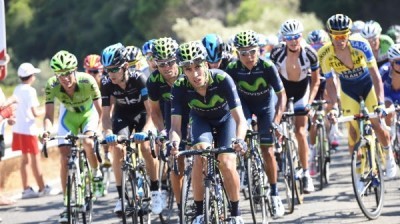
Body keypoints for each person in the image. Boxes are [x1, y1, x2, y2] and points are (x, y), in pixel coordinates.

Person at [169, 41, 248, 224]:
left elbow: (240, 119)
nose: (195, 74)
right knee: (200, 157)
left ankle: (236, 214)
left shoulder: (222, 79)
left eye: (198, 66)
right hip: (200, 120)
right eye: (188, 69)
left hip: (225, 120)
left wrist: (240, 140)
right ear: (183, 71)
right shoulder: (180, 87)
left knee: (226, 162)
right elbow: (175, 127)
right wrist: (173, 142)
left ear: (206, 64)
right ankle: (199, 212)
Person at [319, 14, 397, 183]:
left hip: (368, 85)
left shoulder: (361, 44)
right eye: (336, 35)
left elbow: (376, 77)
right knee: (353, 131)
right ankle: (359, 175)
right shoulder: (324, 53)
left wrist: (381, 103)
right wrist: (333, 106)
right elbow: (331, 83)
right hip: (348, 89)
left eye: (344, 35)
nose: (340, 39)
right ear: (330, 35)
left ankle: (388, 152)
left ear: (349, 33)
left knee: (376, 124)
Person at [225, 30, 287, 217]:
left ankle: (275, 194)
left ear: (259, 50)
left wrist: (276, 121)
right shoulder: (233, 69)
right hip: (244, 107)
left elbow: (281, 96)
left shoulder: (267, 66)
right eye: (243, 53)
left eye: (252, 51)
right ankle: (245, 171)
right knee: (239, 141)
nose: (249, 56)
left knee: (267, 150)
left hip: (265, 107)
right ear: (237, 54)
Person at [100, 43, 163, 215]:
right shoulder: (106, 82)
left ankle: (156, 191)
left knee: (144, 147)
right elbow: (106, 115)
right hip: (123, 115)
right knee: (117, 148)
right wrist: (107, 133)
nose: (111, 74)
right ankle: (121, 198)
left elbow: (151, 113)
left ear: (125, 66)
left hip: (143, 114)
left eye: (114, 69)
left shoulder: (139, 78)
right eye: (107, 69)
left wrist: (145, 131)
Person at [42, 50, 103, 223]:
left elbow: (101, 112)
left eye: (68, 73)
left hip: (88, 115)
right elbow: (48, 116)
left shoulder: (87, 80)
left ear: (75, 70)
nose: (65, 79)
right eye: (60, 75)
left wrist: (99, 129)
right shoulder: (51, 85)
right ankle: (67, 203)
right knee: (64, 158)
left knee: (89, 143)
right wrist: (46, 130)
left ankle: (96, 171)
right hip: (67, 117)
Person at [270, 19, 320, 193]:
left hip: (301, 91)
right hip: (282, 90)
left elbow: (315, 82)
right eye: (289, 37)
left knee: (300, 131)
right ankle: (281, 150)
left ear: (301, 36)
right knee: (278, 125)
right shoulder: (277, 53)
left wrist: (310, 102)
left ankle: (306, 173)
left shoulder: (310, 54)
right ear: (284, 38)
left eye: (296, 36)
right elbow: (272, 78)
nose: (293, 40)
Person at [146, 37, 189, 212]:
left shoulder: (187, 73)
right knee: (176, 159)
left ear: (177, 59)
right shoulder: (154, 80)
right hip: (170, 115)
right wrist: (163, 131)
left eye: (171, 62)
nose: (167, 68)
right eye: (161, 64)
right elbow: (154, 111)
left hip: (193, 111)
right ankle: (181, 209)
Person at [12, 63, 56, 199]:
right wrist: (48, 109)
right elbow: (35, 113)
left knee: (25, 160)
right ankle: (42, 187)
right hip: (29, 130)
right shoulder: (30, 91)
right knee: (35, 159)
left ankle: (26, 188)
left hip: (18, 129)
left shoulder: (16, 89)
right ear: (30, 76)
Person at [379, 44, 400, 136]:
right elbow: (374, 86)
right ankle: (389, 138)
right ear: (391, 62)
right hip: (388, 96)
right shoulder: (384, 70)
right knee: (389, 113)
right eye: (399, 62)